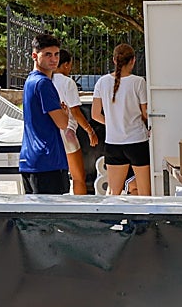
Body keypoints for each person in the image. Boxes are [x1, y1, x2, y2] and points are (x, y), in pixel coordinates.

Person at [91, 43, 151, 195]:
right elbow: (145, 112)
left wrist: (111, 123)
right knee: (145, 192)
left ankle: (111, 219)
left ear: (114, 60)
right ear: (133, 61)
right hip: (137, 141)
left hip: (113, 142)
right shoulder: (138, 82)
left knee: (113, 193)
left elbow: (95, 114)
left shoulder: (102, 82)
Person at [19, 32, 71, 194]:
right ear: (35, 55)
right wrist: (65, 112)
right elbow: (62, 123)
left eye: (56, 54)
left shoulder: (30, 81)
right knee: (53, 217)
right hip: (48, 161)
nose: (54, 59)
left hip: (30, 160)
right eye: (48, 54)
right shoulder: (43, 83)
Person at [52, 48, 99, 195]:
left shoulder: (46, 80)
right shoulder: (68, 83)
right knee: (78, 177)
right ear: (65, 65)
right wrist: (89, 130)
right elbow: (75, 112)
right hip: (68, 132)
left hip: (51, 132)